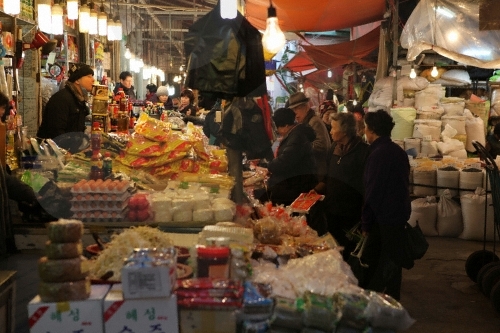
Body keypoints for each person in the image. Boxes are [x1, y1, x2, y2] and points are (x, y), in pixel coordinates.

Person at [361, 110, 412, 301]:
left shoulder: (378, 154)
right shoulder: (397, 151)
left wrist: (366, 222)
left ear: (371, 129)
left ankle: (384, 304)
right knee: (393, 263)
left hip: (383, 218)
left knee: (381, 264)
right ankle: (392, 301)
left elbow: (373, 191)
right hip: (398, 214)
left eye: (365, 128)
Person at [316, 112, 369, 260]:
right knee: (334, 248)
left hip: (352, 213)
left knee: (350, 251)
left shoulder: (363, 152)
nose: (330, 131)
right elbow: (326, 177)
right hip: (332, 210)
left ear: (345, 131)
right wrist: (314, 191)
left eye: (333, 128)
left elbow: (366, 186)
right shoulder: (333, 148)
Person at [37, 63, 94, 152]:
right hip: (53, 155)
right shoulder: (62, 99)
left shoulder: (79, 100)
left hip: (70, 152)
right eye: (89, 76)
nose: (93, 80)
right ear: (77, 80)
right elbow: (56, 134)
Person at [267, 108, 317, 206]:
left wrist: (268, 165)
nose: (277, 131)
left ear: (286, 125)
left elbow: (285, 161)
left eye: (278, 128)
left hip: (296, 187)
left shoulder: (297, 137)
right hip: (294, 184)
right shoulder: (295, 134)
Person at [288, 92, 331, 190]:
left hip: (318, 173)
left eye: (297, 108)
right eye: (293, 110)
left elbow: (322, 145)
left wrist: (300, 146)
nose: (295, 113)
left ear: (306, 107)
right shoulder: (305, 122)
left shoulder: (314, 121)